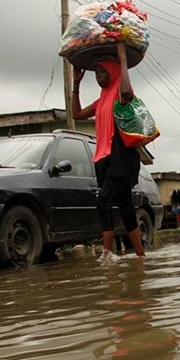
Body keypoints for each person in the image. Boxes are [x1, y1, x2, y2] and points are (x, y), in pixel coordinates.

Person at [72, 42, 145, 257]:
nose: (98, 77)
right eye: (96, 73)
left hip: (121, 158)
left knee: (103, 200)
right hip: (104, 158)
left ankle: (107, 254)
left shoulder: (120, 95)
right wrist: (76, 84)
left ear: (112, 72)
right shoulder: (101, 100)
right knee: (125, 208)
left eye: (102, 72)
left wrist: (122, 60)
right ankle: (141, 257)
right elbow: (76, 114)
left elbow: (127, 91)